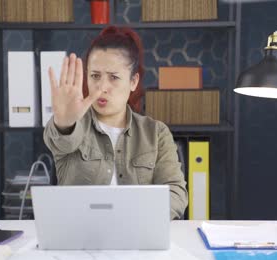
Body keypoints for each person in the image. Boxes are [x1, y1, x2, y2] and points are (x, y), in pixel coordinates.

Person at [43, 26, 188, 220]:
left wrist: (136, 218)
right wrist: (64, 122)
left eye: (114, 77)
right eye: (95, 76)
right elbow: (60, 140)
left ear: (133, 81)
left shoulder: (156, 133)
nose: (102, 87)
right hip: (79, 241)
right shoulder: (74, 127)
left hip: (140, 237)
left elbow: (176, 194)